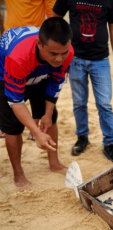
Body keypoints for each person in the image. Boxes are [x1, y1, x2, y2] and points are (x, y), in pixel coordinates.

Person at [0, 17, 74, 187]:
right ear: (39, 44)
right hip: (8, 73)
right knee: (13, 127)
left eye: (63, 52)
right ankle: (18, 174)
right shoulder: (17, 58)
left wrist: (46, 115)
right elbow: (16, 101)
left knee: (51, 117)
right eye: (54, 53)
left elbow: (55, 83)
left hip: (40, 72)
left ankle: (54, 163)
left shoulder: (66, 52)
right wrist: (36, 132)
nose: (59, 59)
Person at [52, 0, 113, 163]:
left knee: (104, 104)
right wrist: (60, 51)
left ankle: (109, 143)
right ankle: (82, 137)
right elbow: (55, 20)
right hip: (75, 58)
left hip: (101, 60)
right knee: (79, 103)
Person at [3, 0, 56, 140]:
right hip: (10, 43)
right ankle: (7, 126)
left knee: (39, 89)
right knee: (11, 91)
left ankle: (36, 125)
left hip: (36, 42)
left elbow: (53, 14)